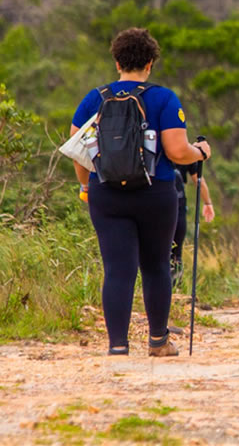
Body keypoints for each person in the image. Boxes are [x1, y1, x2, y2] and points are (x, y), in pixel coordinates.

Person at [70, 27, 211, 356]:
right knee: (156, 265)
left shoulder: (95, 98)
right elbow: (177, 152)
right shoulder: (163, 98)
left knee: (118, 268)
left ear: (117, 62)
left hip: (106, 193)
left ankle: (118, 345)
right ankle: (158, 341)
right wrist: (201, 152)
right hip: (156, 192)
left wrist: (86, 186)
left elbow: (78, 150)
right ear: (149, 64)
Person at [171, 161, 215, 289]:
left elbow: (199, 181)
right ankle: (174, 290)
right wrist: (207, 203)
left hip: (157, 201)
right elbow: (199, 181)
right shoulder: (185, 152)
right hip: (177, 205)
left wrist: (207, 203)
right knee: (175, 252)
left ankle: (170, 291)